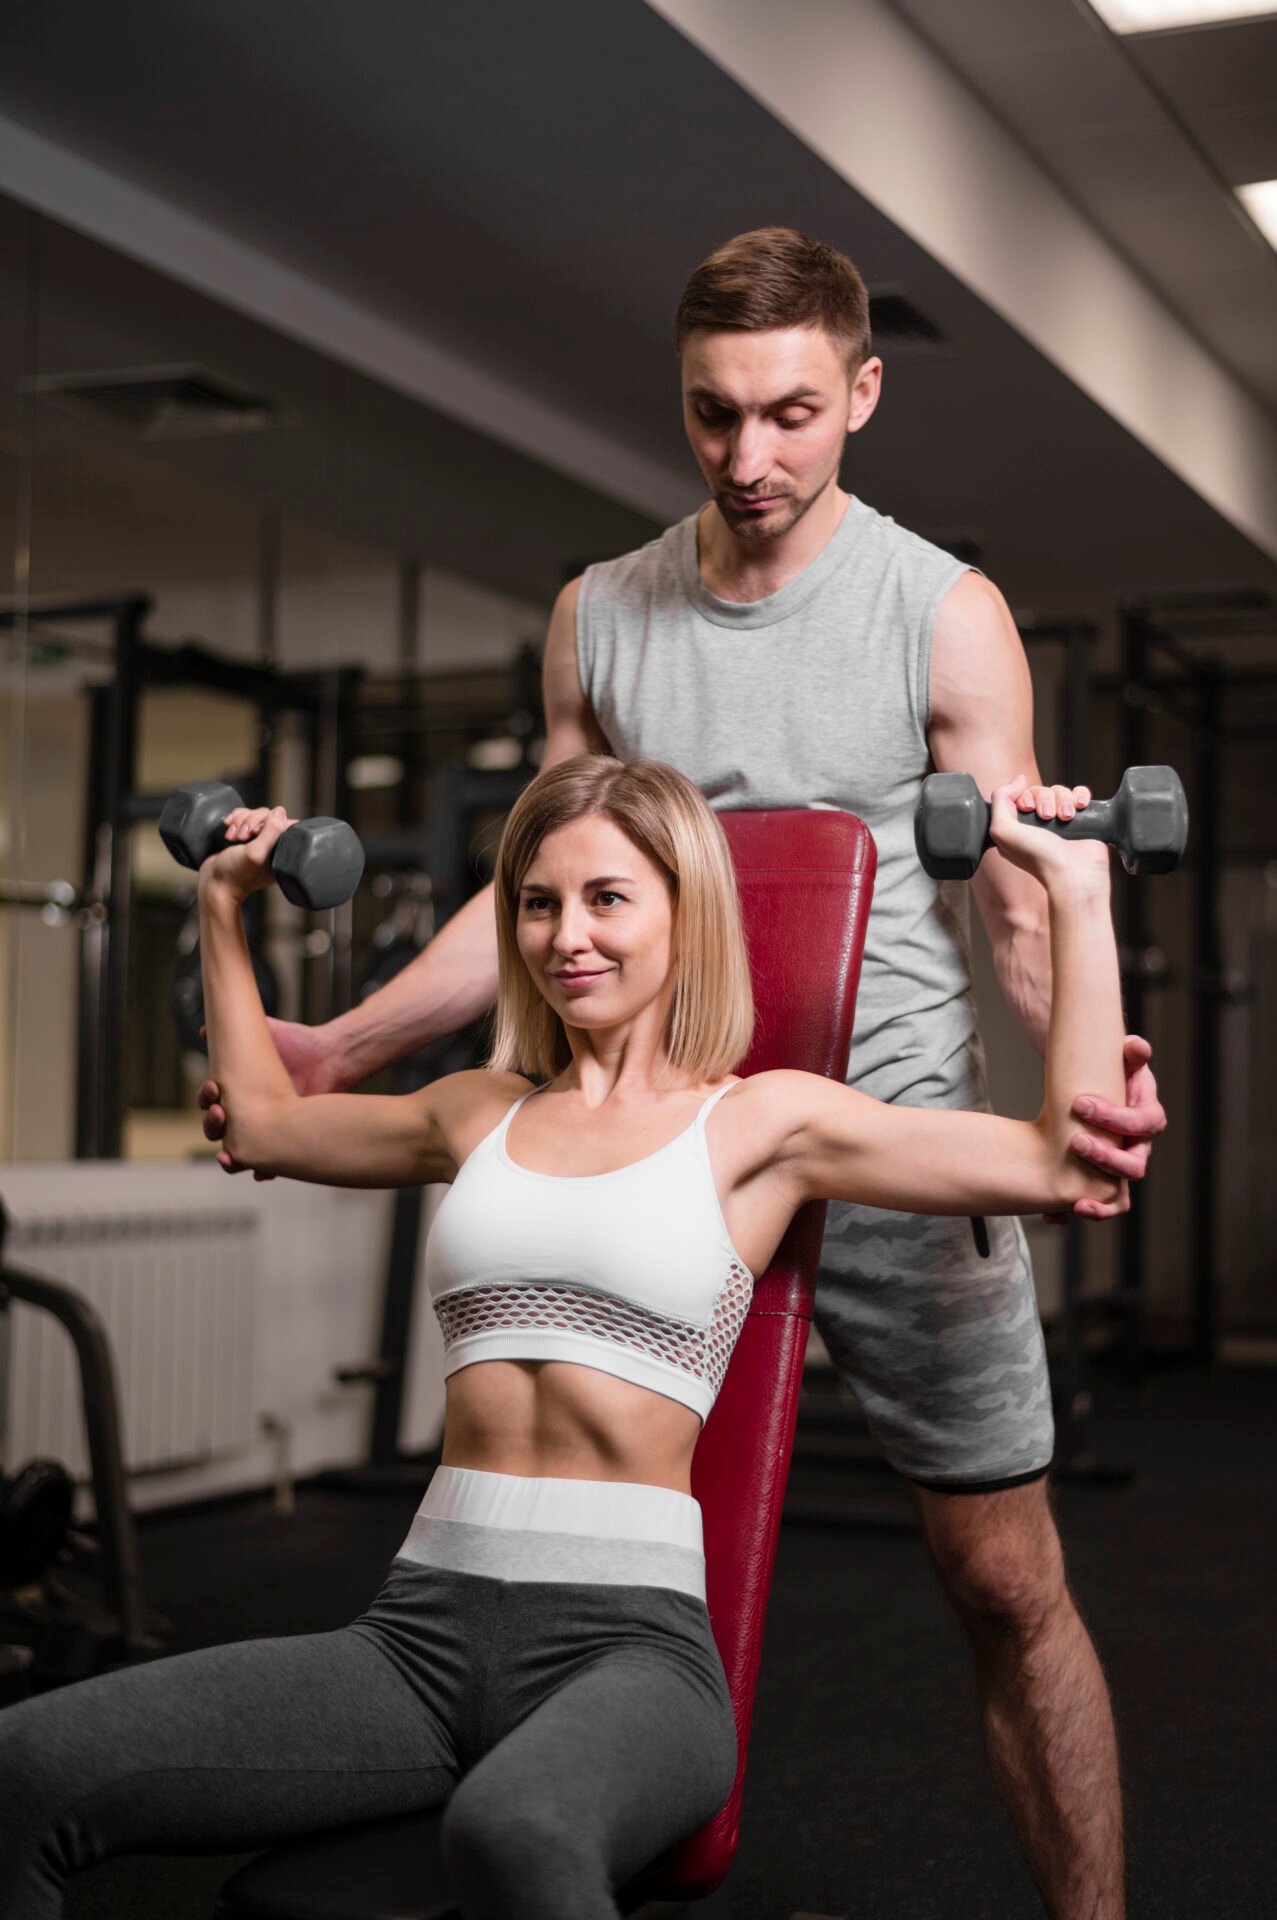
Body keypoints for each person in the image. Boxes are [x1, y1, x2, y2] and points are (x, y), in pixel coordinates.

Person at [202, 230, 1164, 1918]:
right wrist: (342, 1046)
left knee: (1004, 1578)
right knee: (569, 1549)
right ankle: (534, 1833)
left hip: (880, 1142)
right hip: (652, 1155)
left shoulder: (940, 613)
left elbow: (1014, 889)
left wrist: (1087, 1079)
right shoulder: (604, 612)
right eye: (713, 413)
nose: (748, 455)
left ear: (862, 394)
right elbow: (544, 886)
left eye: (790, 413)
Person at [0, 754, 1127, 1920]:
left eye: (606, 899)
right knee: (21, 1769)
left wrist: (1073, 889)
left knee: (516, 1833)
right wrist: (222, 903)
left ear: (684, 915)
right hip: (416, 1639)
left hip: (630, 1655)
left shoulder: (760, 1124)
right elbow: (264, 1125)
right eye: (538, 903)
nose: (566, 936)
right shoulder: (477, 1110)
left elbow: (1066, 1160)